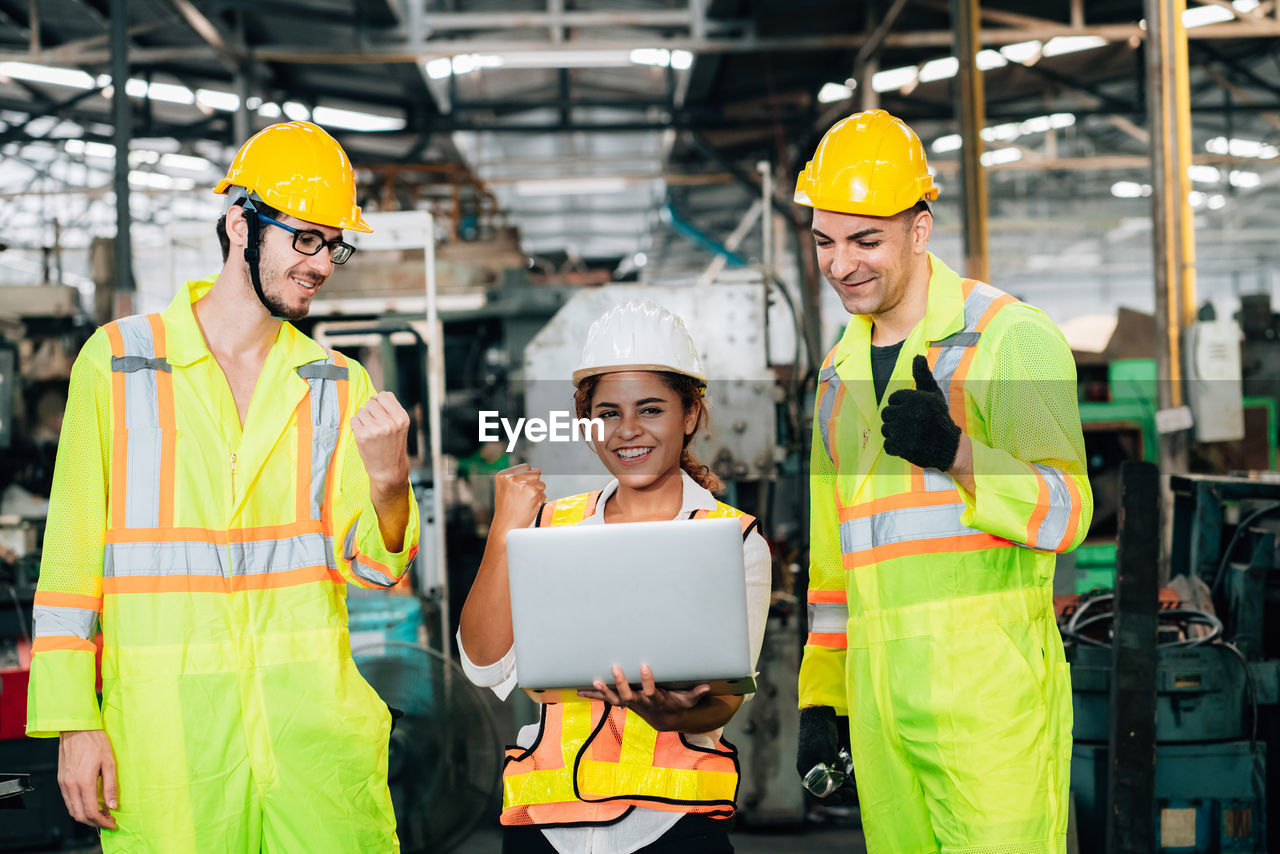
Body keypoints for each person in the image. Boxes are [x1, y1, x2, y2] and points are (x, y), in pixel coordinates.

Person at [25, 120, 420, 853]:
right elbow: (70, 568)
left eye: (335, 244)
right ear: (241, 224)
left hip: (311, 744)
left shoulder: (336, 384)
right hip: (173, 749)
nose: (322, 264)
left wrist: (392, 481)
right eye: (305, 238)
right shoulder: (116, 363)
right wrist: (76, 722)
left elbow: (373, 566)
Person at [793, 109, 1093, 853]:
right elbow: (834, 567)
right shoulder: (837, 372)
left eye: (866, 240)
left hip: (989, 709)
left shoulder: (1009, 337)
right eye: (825, 243)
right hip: (881, 707)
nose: (841, 265)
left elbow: (1069, 512)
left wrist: (959, 452)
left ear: (919, 230)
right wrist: (823, 699)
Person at [457, 300, 771, 854]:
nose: (628, 431)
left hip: (673, 827)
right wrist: (507, 527)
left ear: (690, 414)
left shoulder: (733, 539)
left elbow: (726, 697)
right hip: (545, 829)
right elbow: (483, 665)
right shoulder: (552, 525)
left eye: (650, 409)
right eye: (607, 413)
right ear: (587, 422)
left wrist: (676, 714)